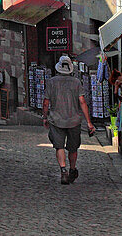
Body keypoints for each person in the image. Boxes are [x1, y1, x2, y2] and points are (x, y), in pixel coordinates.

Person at [43, 55, 96, 185]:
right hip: (74, 120)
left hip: (56, 119)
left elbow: (46, 102)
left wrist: (45, 117)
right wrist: (89, 122)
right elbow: (82, 102)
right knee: (73, 148)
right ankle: (72, 169)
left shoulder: (51, 82)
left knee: (59, 146)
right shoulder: (76, 82)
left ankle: (63, 170)